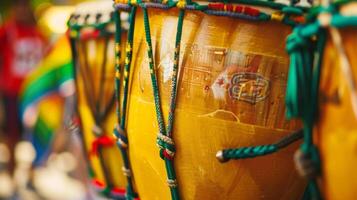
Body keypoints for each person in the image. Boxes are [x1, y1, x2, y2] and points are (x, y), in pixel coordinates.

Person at [0, 0, 47, 172]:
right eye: (18, 6)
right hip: (12, 92)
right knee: (12, 136)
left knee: (35, 136)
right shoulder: (7, 30)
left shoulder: (38, 32)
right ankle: (12, 176)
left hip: (34, 93)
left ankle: (32, 174)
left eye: (25, 6)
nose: (22, 10)